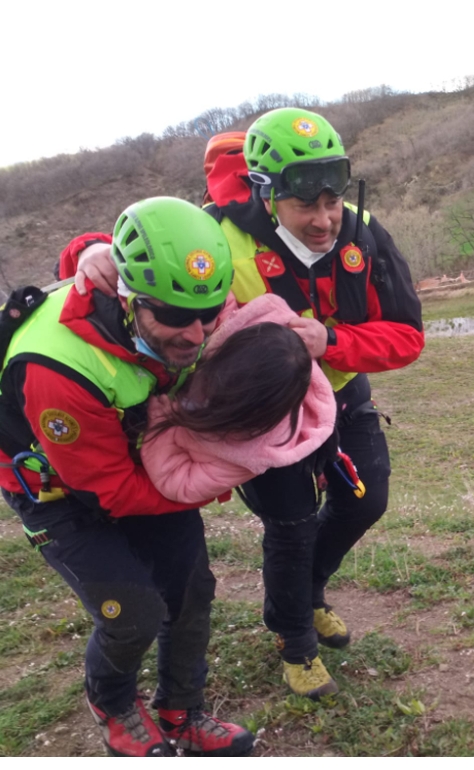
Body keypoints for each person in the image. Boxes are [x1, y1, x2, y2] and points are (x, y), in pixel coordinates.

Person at [69, 107, 425, 699]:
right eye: (305, 206)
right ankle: (293, 637)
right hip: (261, 412)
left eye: (333, 201)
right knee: (291, 525)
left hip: (338, 391)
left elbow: (408, 335)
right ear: (265, 192)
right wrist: (87, 252)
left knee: (367, 500)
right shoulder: (219, 235)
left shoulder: (362, 231)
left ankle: (306, 595)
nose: (324, 220)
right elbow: (143, 252)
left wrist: (333, 341)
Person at [0, 197, 255, 757]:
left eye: (208, 313)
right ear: (127, 297)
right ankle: (113, 702)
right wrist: (205, 484)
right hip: (59, 489)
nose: (195, 334)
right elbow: (107, 491)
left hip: (141, 459)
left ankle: (181, 710)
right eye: (172, 316)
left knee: (191, 591)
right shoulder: (56, 366)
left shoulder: (192, 301)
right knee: (132, 611)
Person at [140, 294, 336, 504]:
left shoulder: (251, 452)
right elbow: (215, 298)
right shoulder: (237, 326)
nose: (208, 390)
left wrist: (159, 423)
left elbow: (180, 484)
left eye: (221, 398)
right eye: (214, 378)